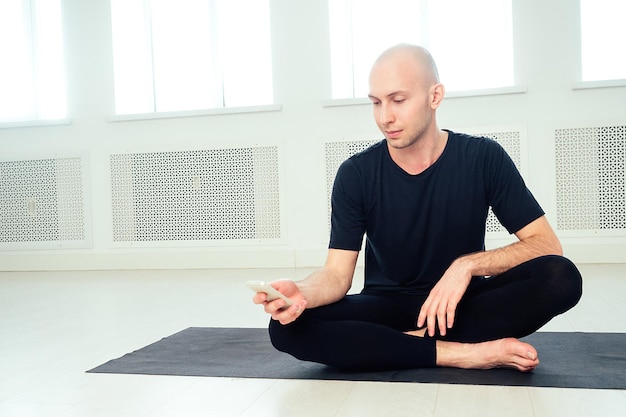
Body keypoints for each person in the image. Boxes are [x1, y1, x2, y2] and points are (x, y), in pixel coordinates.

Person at [252, 44, 582, 372]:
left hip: (461, 304)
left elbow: (546, 245)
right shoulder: (356, 173)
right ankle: (462, 353)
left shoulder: (483, 157)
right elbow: (337, 275)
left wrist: (466, 266)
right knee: (286, 328)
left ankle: (396, 344)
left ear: (434, 96)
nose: (385, 117)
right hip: (386, 306)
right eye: (376, 103)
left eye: (398, 100)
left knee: (560, 277)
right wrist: (302, 293)